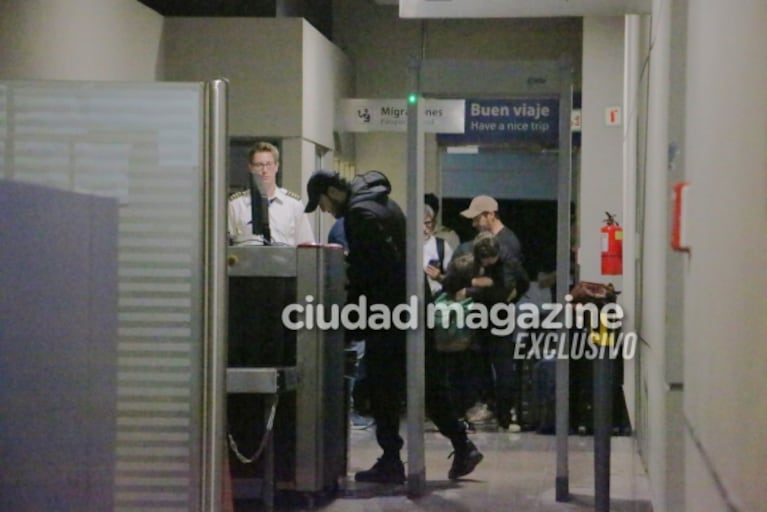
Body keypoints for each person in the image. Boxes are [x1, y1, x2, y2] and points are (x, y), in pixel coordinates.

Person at [305, 169, 482, 483]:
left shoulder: (360, 215)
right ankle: (462, 445)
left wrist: (353, 319)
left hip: (390, 314)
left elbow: (367, 273)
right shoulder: (384, 203)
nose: (324, 210)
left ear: (331, 192)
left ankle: (391, 460)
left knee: (383, 388)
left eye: (321, 203)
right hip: (414, 305)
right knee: (429, 382)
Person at [228, 141, 315, 245]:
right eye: (259, 165)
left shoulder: (293, 205)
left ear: (277, 166)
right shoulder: (236, 205)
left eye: (269, 164)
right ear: (250, 168)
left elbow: (305, 245)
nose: (264, 170)